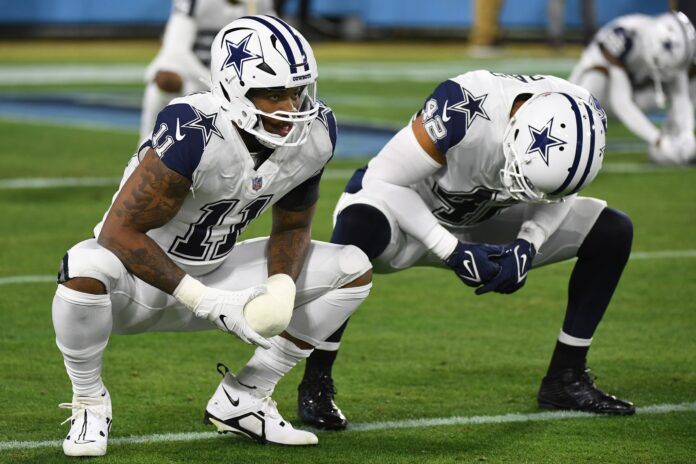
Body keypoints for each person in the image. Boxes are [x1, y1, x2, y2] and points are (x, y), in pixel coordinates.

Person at [54, 16, 373, 457]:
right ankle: (90, 402)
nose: (291, 108)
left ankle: (246, 397)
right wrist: (205, 301)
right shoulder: (195, 130)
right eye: (274, 93)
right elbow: (117, 232)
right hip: (137, 286)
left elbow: (294, 224)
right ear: (232, 88)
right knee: (83, 266)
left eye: (297, 91)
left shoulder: (315, 133)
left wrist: (280, 287)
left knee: (351, 268)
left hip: (220, 271)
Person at [297, 70, 636, 431]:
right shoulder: (464, 105)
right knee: (356, 231)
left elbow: (558, 195)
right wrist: (451, 250)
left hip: (489, 216)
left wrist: (527, 244)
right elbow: (380, 180)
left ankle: (566, 377)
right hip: (410, 214)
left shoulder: (584, 116)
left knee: (612, 231)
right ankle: (316, 380)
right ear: (514, 131)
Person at [569, 10, 696, 165]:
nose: (666, 73)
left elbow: (681, 96)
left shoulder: (670, 52)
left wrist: (687, 135)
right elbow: (621, 103)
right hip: (593, 99)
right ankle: (573, 140)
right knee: (597, 75)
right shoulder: (623, 37)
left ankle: (673, 144)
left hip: (636, 93)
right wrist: (657, 139)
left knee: (693, 81)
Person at [139, 0, 276, 142]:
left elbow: (276, 42)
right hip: (190, 72)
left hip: (234, 79)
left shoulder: (260, 3)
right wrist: (214, 83)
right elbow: (177, 51)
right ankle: (147, 147)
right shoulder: (194, 2)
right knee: (165, 82)